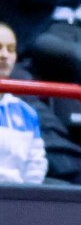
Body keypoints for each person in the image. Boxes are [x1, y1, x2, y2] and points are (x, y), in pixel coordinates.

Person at [0, 21, 47, 186]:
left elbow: (35, 167)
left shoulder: (27, 113)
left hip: (17, 196)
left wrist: (26, 197)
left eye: (11, 49)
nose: (4, 55)